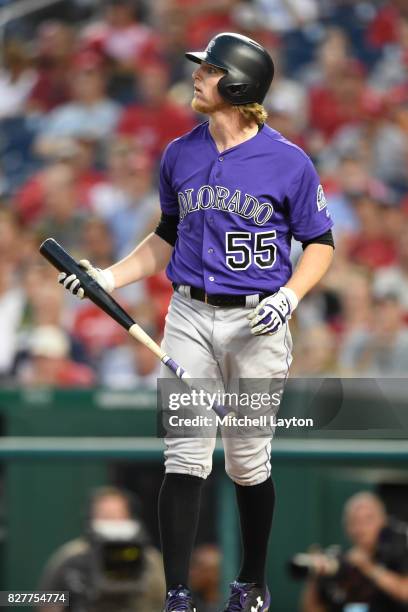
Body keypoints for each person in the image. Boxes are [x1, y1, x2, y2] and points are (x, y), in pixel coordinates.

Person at [57, 32, 334, 611]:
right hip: (188, 312)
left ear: (237, 84)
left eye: (208, 70)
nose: (196, 76)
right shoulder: (179, 152)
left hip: (259, 322)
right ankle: (177, 594)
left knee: (246, 459)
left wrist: (290, 296)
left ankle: (252, 583)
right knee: (184, 455)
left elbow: (320, 243)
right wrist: (108, 277)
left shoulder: (290, 161)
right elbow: (166, 236)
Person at [38, 486, 165, 612]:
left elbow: (168, 599)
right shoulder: (70, 557)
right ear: (91, 517)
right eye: (104, 515)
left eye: (116, 515)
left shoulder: (150, 559)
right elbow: (48, 603)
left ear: (129, 517)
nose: (111, 522)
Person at [300, 491, 408, 612]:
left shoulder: (398, 554)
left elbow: (404, 593)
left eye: (368, 519)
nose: (361, 528)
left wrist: (369, 567)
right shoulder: (339, 563)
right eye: (354, 521)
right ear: (346, 526)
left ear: (383, 522)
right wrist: (314, 575)